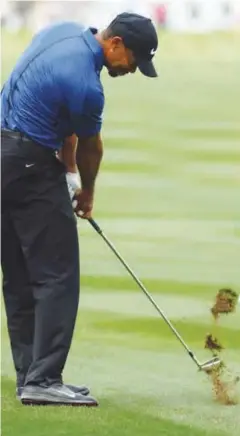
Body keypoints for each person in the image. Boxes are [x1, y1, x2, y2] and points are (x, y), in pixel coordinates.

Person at [1, 13, 158, 406]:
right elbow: (92, 145)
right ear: (116, 44)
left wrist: (67, 171)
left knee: (19, 274)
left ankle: (30, 378)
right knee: (57, 274)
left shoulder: (63, 31)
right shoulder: (88, 86)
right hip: (29, 165)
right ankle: (45, 378)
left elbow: (63, 120)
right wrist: (86, 192)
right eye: (135, 60)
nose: (133, 70)